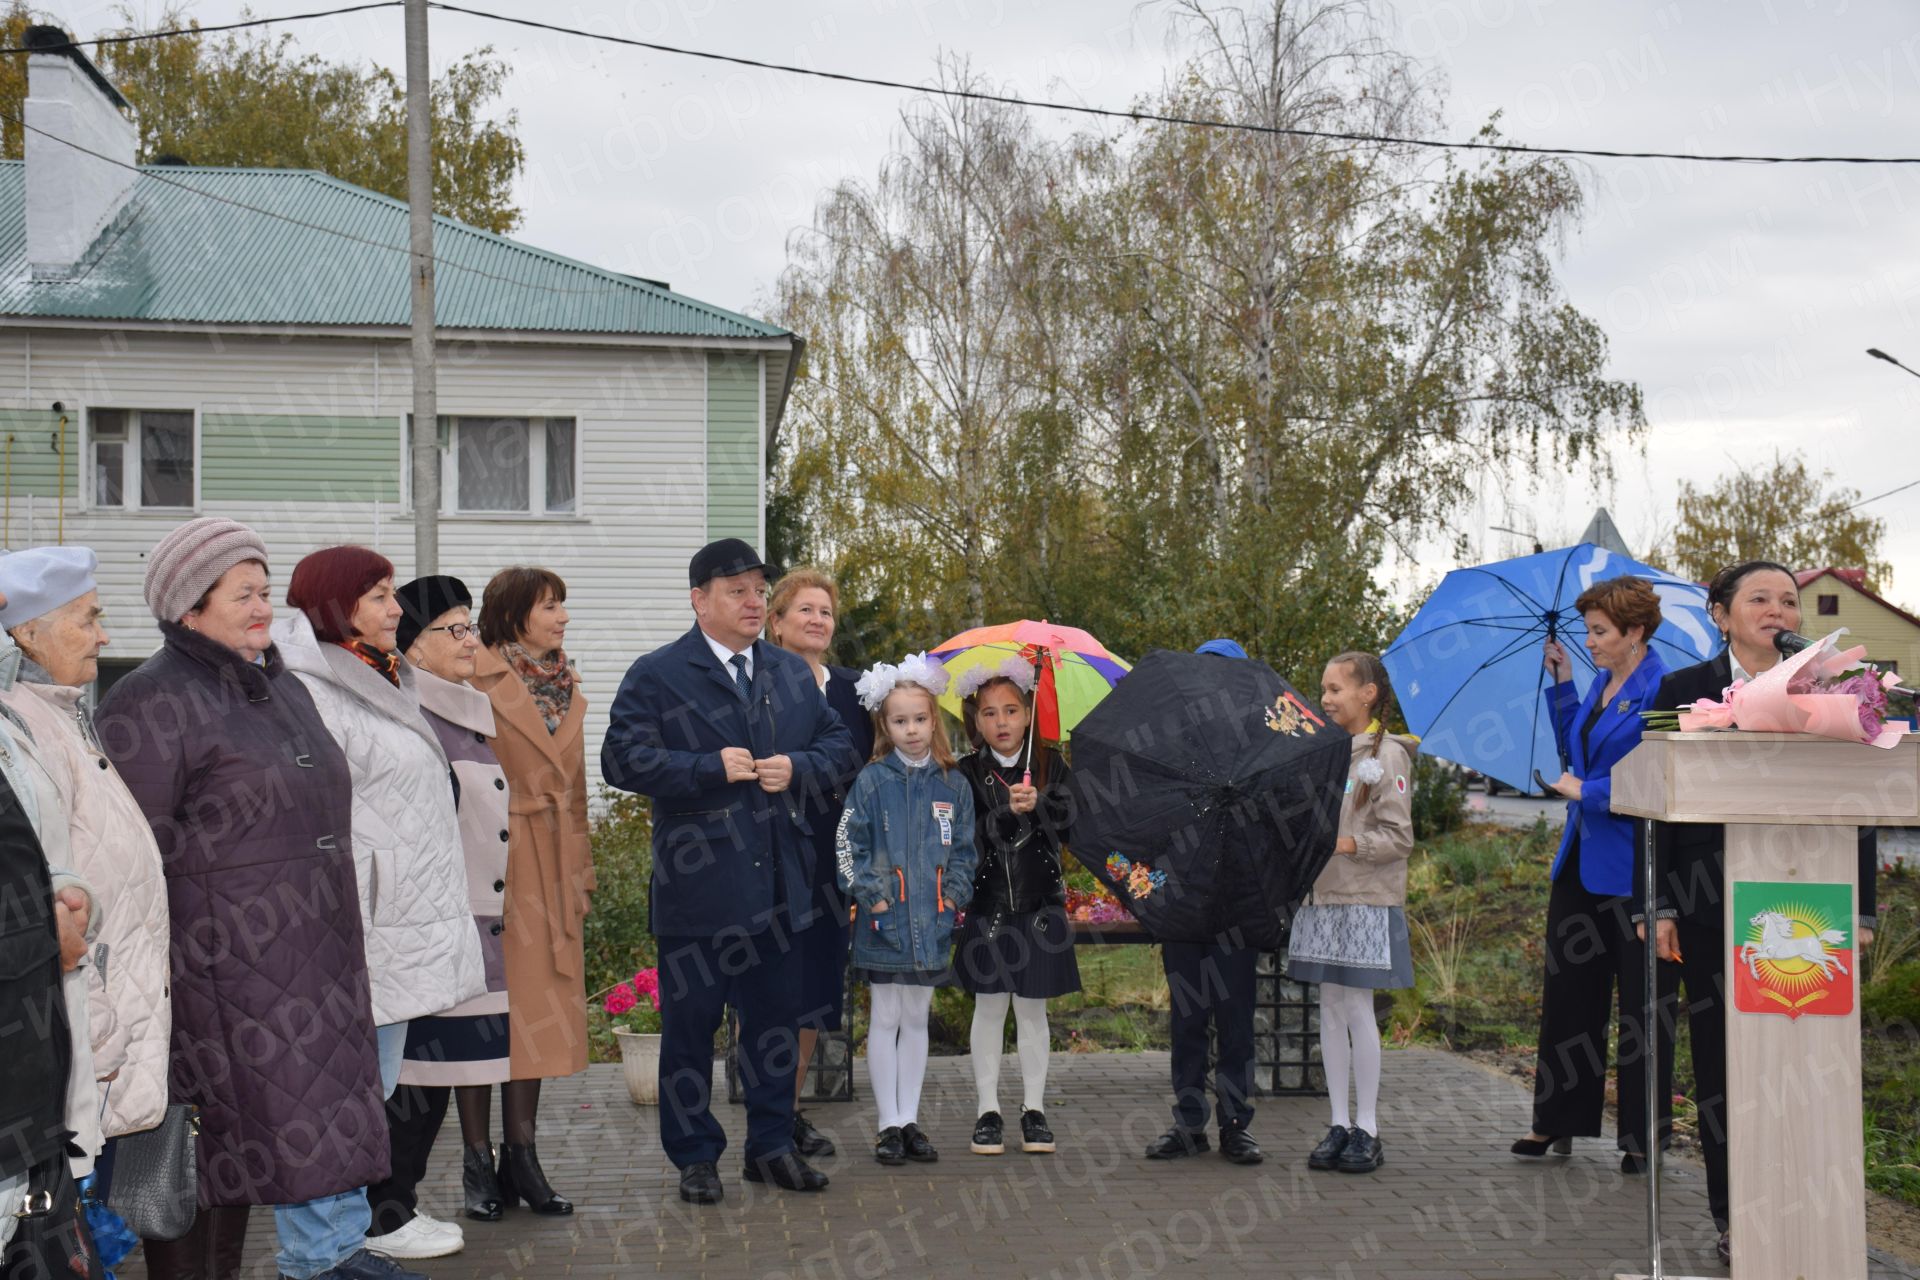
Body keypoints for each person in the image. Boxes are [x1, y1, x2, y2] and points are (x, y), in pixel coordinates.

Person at [96, 518, 394, 1280]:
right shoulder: (148, 700)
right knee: (199, 1157)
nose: (264, 607)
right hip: (213, 976)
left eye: (267, 590)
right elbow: (132, 858)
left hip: (304, 961)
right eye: (244, 594)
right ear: (189, 608)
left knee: (243, 1162)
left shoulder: (278, 685)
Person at [602, 538, 857, 1206]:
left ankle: (770, 1148)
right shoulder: (658, 674)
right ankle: (695, 1156)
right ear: (699, 599)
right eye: (736, 589)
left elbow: (837, 746)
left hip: (780, 887)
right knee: (691, 1033)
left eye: (756, 588)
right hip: (698, 893)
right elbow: (620, 760)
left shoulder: (789, 673)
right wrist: (703, 768)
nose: (752, 601)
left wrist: (797, 767)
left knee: (773, 1029)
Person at [1641, 560, 1880, 1267]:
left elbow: (1863, 800)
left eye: (1789, 601)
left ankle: (1817, 1216)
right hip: (1711, 909)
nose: (1778, 610)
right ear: (1720, 614)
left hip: (1810, 908)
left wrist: (1861, 910)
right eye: (1760, 599)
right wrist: (1657, 905)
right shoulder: (1682, 691)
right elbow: (1652, 801)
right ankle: (1736, 1217)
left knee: (1812, 1070)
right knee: (1724, 1072)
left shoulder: (1833, 691)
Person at [273, 545, 486, 1280]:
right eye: (379, 596)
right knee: (336, 1093)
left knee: (366, 1093)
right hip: (352, 925)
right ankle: (317, 1256)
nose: (397, 608)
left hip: (393, 921)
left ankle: (342, 1243)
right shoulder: (305, 686)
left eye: (394, 594)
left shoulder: (370, 672)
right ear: (335, 604)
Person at [0, 548, 172, 1157]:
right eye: (87, 618)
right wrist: (96, 1030)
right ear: (27, 632)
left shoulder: (63, 716)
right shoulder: (23, 730)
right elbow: (50, 889)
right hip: (87, 1036)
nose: (103, 636)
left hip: (103, 1027)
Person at [366, 577, 512, 1259]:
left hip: (468, 922)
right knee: (412, 1076)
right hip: (421, 924)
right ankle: (386, 1214)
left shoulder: (465, 710)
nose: (470, 641)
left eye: (469, 626)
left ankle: (399, 1207)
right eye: (453, 630)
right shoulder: (408, 715)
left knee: (434, 1072)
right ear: (413, 648)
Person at [1512, 577, 1670, 1172]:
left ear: (1635, 632)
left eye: (1600, 632)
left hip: (1635, 869)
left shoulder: (1663, 689)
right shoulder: (1603, 681)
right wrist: (1563, 683)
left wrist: (1589, 792)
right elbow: (1580, 748)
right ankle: (1557, 1122)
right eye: (1586, 631)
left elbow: (1656, 777)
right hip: (1579, 863)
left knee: (1642, 1007)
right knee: (1569, 998)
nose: (1590, 641)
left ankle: (1641, 1138)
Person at [471, 567, 595, 1214]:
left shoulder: (567, 687)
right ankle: (476, 1165)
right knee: (483, 1019)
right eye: (551, 606)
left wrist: (581, 874)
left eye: (563, 606)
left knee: (535, 1022)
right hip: (492, 867)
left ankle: (523, 1156)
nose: (562, 617)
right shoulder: (473, 675)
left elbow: (571, 794)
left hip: (550, 869)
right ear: (515, 613)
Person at [835, 654, 977, 1166]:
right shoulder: (872, 782)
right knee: (886, 1016)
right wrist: (871, 893)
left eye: (920, 719)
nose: (911, 729)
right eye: (900, 720)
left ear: (933, 720)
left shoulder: (952, 784)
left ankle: (911, 1119)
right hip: (883, 922)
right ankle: (886, 1123)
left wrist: (952, 897)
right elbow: (848, 844)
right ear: (885, 724)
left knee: (918, 1018)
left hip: (932, 925)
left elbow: (965, 851)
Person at [1287, 651, 1416, 1175]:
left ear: (1368, 694)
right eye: (1323, 689)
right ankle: (1337, 1123)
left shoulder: (1388, 757)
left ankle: (1368, 1128)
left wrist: (1344, 844)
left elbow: (1398, 837)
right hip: (1321, 897)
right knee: (1330, 1009)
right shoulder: (1325, 753)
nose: (1326, 698)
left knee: (1358, 1009)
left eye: (1337, 688)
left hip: (1363, 898)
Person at [951, 659, 1079, 1157]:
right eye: (989, 713)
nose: (1001, 721)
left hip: (1040, 907)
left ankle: (1033, 1108)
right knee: (988, 1009)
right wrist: (1003, 813)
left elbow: (1072, 825)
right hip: (989, 907)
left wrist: (1042, 804)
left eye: (1011, 710)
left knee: (1032, 1012)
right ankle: (988, 1109)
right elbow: (963, 837)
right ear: (976, 721)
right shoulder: (965, 772)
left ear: (1028, 714)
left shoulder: (1051, 765)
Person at [766, 567, 872, 1159]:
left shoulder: (857, 690)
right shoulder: (757, 683)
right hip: (774, 853)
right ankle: (769, 1110)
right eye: (803, 610)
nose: (817, 620)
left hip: (837, 855)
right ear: (777, 623)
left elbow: (885, 757)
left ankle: (790, 1109)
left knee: (814, 988)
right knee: (773, 986)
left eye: (826, 612)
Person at [1146, 638, 1265, 1166]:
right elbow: (1151, 817)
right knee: (1188, 1017)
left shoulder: (1261, 746)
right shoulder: (1173, 745)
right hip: (1184, 901)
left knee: (1236, 1017)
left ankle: (1236, 1125)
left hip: (1238, 903)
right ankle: (1189, 1123)